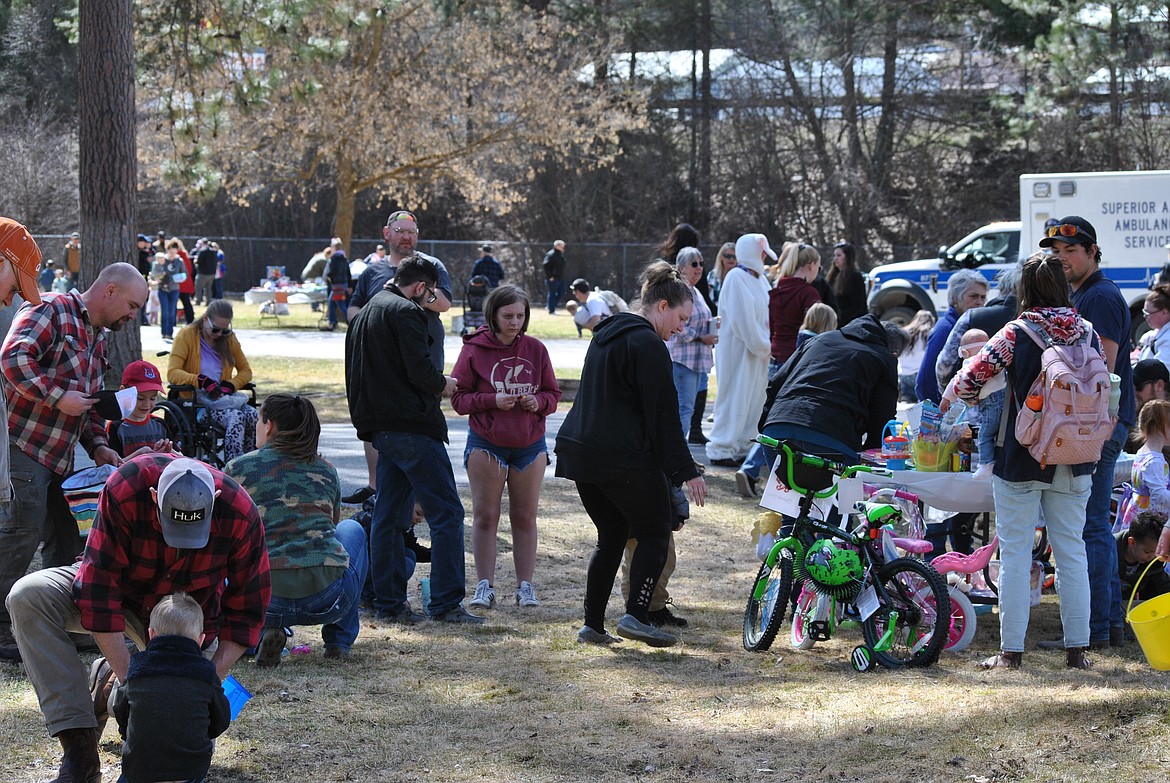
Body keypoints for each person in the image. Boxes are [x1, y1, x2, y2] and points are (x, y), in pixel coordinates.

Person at [5, 454, 270, 782]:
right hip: (121, 596)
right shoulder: (126, 487)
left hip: (183, 624)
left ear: (215, 501)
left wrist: (198, 684)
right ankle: (80, 750)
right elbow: (97, 590)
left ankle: (107, 683)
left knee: (178, 745)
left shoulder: (240, 512)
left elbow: (248, 610)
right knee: (27, 596)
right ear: (155, 496)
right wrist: (136, 682)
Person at [946, 252, 1100, 670]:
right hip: (1075, 454)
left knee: (1014, 553)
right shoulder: (1087, 333)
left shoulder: (1016, 333)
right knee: (1071, 551)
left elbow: (969, 380)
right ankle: (1077, 651)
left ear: (1024, 291)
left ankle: (1011, 652)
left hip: (1021, 455)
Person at [0, 261, 146, 662]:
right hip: (22, 447)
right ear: (110, 291)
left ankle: (65, 621)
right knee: (19, 536)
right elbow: (12, 359)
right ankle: (3, 630)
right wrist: (54, 396)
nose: (134, 316)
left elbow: (90, 403)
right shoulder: (51, 308)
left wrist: (98, 445)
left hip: (61, 456)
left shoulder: (97, 337)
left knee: (70, 539)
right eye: (132, 305)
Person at [555, 261, 707, 647]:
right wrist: (686, 471)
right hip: (618, 457)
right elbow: (664, 416)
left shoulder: (607, 333)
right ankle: (637, 616)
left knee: (612, 535)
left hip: (580, 453)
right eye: (681, 317)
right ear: (661, 306)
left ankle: (592, 624)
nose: (683, 327)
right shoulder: (648, 344)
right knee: (656, 529)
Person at [345, 255, 481, 624]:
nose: (430, 300)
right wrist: (444, 384)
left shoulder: (369, 309)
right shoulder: (406, 312)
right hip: (413, 426)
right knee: (447, 513)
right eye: (430, 293)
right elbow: (420, 370)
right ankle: (446, 604)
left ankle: (388, 602)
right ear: (421, 287)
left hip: (381, 428)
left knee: (389, 517)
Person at [225, 393, 369, 663]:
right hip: (326, 599)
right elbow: (332, 526)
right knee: (353, 529)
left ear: (268, 426)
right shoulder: (326, 470)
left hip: (262, 600)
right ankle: (338, 641)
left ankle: (256, 636)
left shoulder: (238, 469)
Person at [1046, 215, 1135, 649]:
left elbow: (1102, 370)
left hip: (1100, 422)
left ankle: (1098, 629)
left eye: (1071, 251)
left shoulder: (1099, 296)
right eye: (1056, 252)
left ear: (1092, 251)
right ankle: (1109, 625)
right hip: (1092, 423)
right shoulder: (1081, 293)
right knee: (1090, 523)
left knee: (1090, 524)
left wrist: (1096, 429)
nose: (1062, 259)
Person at [451, 285, 561, 610]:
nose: (515, 322)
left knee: (525, 517)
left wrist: (537, 401)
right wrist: (493, 400)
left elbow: (553, 395)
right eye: (508, 316)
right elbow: (458, 399)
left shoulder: (536, 349)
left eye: (520, 316)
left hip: (530, 445)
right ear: (493, 316)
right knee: (486, 515)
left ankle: (526, 587)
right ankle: (484, 586)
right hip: (487, 444)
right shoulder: (474, 349)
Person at [343, 209, 454, 505]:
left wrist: (411, 296)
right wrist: (369, 326)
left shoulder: (430, 266)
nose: (407, 236)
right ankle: (376, 485)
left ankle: (416, 503)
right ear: (387, 233)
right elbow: (354, 307)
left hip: (423, 357)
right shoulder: (372, 271)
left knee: (418, 428)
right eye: (401, 230)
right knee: (382, 422)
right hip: (380, 360)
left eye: (412, 232)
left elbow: (443, 303)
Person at [109, 592, 231, 783]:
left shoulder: (137, 667)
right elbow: (221, 719)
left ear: (151, 634)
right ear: (200, 640)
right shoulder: (206, 672)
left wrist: (130, 734)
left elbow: (121, 710)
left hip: (141, 768)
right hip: (189, 769)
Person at [759, 314, 905, 472]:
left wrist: (766, 424)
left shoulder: (819, 340)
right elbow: (882, 417)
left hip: (777, 430)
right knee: (832, 494)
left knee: (787, 494)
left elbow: (776, 383)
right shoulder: (884, 358)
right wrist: (872, 459)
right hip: (832, 439)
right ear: (893, 350)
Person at [734, 302, 840, 499]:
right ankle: (751, 468)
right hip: (796, 398)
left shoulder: (801, 338)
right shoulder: (817, 344)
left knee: (772, 435)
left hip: (780, 389)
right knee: (779, 440)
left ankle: (748, 467)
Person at [706, 233, 774, 467]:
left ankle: (745, 445)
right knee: (733, 397)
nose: (764, 257)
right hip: (739, 351)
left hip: (759, 352)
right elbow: (741, 319)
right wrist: (763, 344)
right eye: (762, 252)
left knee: (754, 399)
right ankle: (722, 448)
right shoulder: (736, 278)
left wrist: (765, 345)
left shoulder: (760, 280)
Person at [166, 299, 259, 462]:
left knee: (252, 415)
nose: (219, 335)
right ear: (204, 319)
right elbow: (172, 373)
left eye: (224, 330)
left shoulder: (229, 339)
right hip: (198, 404)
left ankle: (250, 461)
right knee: (235, 417)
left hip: (221, 398)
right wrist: (200, 380)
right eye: (215, 329)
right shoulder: (186, 335)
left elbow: (246, 371)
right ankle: (233, 466)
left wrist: (231, 385)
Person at [914, 268, 988, 404]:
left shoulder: (966, 325)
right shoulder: (947, 327)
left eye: (983, 297)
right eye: (973, 296)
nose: (979, 302)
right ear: (955, 298)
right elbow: (926, 378)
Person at [941, 329, 1006, 480]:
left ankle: (985, 465)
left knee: (985, 434)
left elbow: (957, 381)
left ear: (964, 353)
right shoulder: (995, 360)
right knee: (999, 435)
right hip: (1005, 401)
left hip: (991, 403)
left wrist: (946, 399)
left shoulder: (972, 363)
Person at [1114, 400, 1170, 532]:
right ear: (1160, 427)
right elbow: (1159, 495)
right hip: (1148, 522)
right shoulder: (1154, 460)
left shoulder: (1143, 453)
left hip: (1139, 511)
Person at [768, 242, 822, 368]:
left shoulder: (776, 290)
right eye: (819, 267)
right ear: (812, 266)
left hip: (775, 356)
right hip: (798, 359)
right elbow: (816, 329)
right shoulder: (809, 294)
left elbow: (770, 327)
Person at [107, 360, 174, 459]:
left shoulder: (160, 424)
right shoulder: (115, 427)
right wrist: (139, 456)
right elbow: (111, 467)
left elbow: (179, 457)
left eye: (152, 398)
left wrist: (169, 451)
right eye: (140, 398)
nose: (147, 404)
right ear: (123, 391)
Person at [1117, 511, 1170, 602]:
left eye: (1155, 553)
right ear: (1132, 542)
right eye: (1147, 552)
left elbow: (1163, 583)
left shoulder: (1154, 559)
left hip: (1128, 601)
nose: (1152, 557)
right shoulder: (1111, 551)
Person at [898, 310, 935, 402]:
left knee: (906, 407)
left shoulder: (904, 332)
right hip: (920, 375)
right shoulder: (930, 332)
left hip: (904, 374)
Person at [826, 241, 866, 325]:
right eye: (835, 255)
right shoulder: (832, 277)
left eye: (839, 255)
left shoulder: (855, 277)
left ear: (847, 257)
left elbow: (858, 306)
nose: (835, 259)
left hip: (851, 325)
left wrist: (838, 319)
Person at [150, 250, 184, 341]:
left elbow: (184, 274)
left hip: (174, 289)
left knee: (172, 311)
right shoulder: (158, 264)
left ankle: (170, 333)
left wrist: (175, 277)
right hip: (163, 290)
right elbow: (154, 275)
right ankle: (164, 332)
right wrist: (161, 276)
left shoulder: (178, 262)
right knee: (165, 310)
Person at [1137, 284, 1170, 367]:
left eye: (1148, 313)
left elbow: (1160, 371)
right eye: (1144, 312)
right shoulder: (1156, 333)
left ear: (1164, 312)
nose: (1145, 316)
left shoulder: (1168, 340)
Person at [325, 238, 351, 331]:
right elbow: (348, 272)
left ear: (333, 247)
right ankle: (332, 322)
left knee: (341, 305)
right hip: (343, 284)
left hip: (336, 285)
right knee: (331, 303)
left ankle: (351, 321)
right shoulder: (344, 258)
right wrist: (349, 285)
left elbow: (331, 272)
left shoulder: (334, 259)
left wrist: (329, 278)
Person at [169, 238, 196, 326]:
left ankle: (172, 321)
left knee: (173, 303)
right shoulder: (185, 255)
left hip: (177, 283)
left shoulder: (175, 257)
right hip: (185, 283)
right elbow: (190, 270)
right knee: (186, 302)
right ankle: (190, 320)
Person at [706, 241, 736, 317]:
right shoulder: (712, 275)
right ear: (721, 257)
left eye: (734, 257)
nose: (731, 259)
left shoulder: (739, 278)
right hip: (713, 316)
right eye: (728, 256)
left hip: (732, 317)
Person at [542, 239, 566, 315]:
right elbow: (546, 265)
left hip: (559, 278)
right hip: (553, 278)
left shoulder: (560, 254)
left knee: (561, 292)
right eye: (562, 246)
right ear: (557, 246)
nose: (563, 248)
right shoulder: (551, 254)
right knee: (552, 293)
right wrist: (550, 276)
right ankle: (551, 310)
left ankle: (550, 306)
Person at [193, 237, 218, 306]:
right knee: (208, 288)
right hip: (212, 273)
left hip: (202, 273)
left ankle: (198, 301)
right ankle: (208, 301)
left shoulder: (202, 251)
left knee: (198, 287)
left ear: (203, 243)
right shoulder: (214, 251)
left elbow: (198, 261)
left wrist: (195, 261)